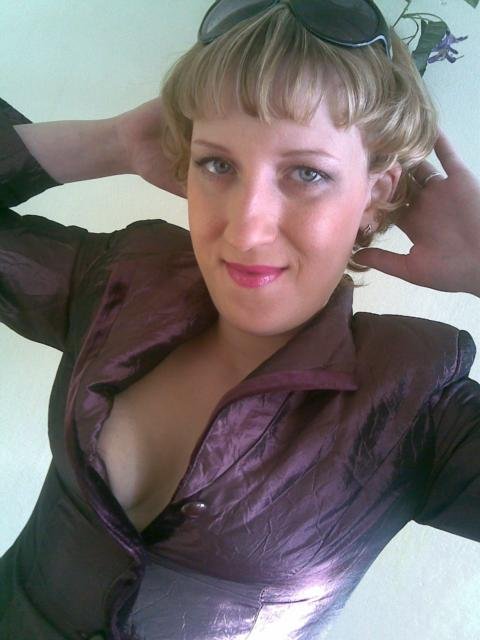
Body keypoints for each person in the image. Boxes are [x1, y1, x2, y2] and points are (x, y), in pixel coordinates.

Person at [0, 1, 479, 639]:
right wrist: (110, 143)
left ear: (377, 194)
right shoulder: (123, 281)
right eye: (217, 164)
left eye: (306, 173)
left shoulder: (415, 404)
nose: (246, 230)